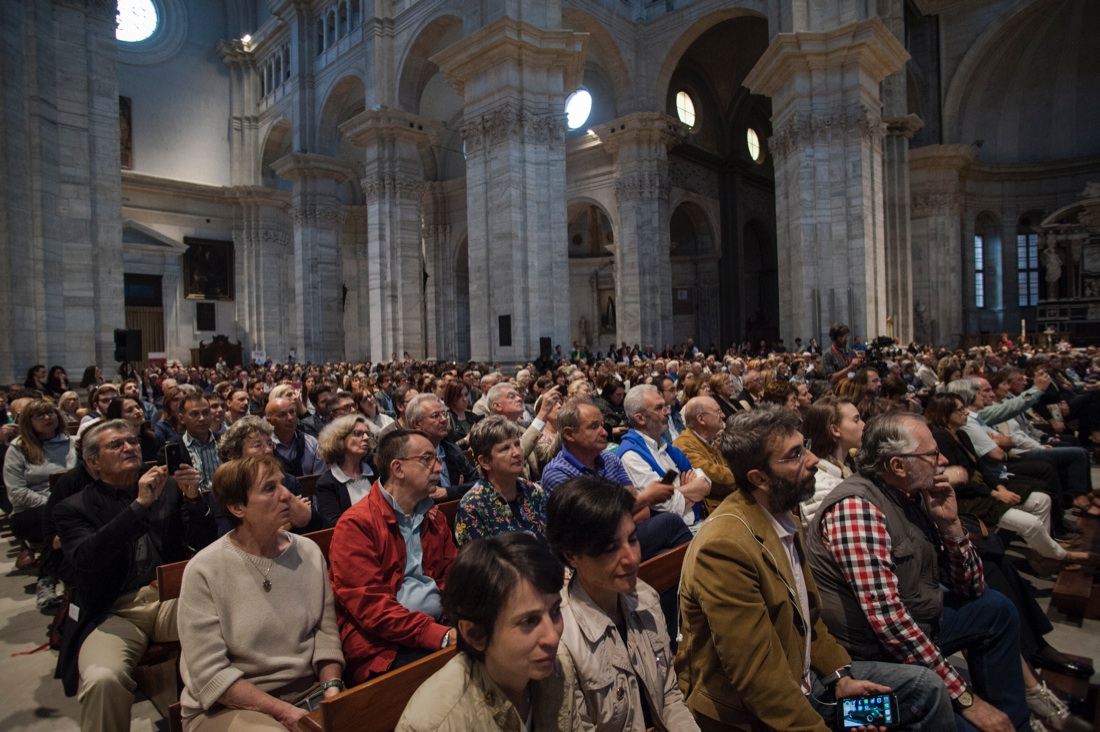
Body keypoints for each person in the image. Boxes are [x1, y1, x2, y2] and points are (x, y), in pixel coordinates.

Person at [677, 405, 954, 731]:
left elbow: (808, 621)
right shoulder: (724, 547)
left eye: (805, 446)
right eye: (795, 455)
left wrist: (841, 676)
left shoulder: (783, 512)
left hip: (808, 680)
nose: (812, 460)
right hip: (752, 714)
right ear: (759, 478)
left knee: (927, 689)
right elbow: (758, 679)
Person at [806, 411, 1030, 731]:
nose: (940, 462)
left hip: (916, 621)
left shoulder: (909, 492)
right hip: (869, 652)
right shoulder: (857, 509)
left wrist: (951, 525)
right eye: (931, 455)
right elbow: (890, 624)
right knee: (962, 715)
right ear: (897, 465)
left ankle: (1016, 722)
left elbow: (971, 587)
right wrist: (966, 698)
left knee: (996, 608)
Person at [53, 419, 215, 732]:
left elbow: (204, 542)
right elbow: (87, 560)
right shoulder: (73, 508)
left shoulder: (168, 487)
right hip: (113, 611)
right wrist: (140, 506)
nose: (129, 447)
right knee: (103, 679)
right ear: (93, 462)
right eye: (116, 444)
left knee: (235, 623)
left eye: (132, 441)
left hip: (168, 598)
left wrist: (194, 498)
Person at [177, 455, 345, 730]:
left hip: (310, 692)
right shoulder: (204, 570)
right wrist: (285, 712)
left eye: (282, 484)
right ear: (237, 507)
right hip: (227, 705)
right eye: (270, 489)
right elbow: (211, 675)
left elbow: (325, 634)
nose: (286, 495)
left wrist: (332, 691)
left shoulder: (308, 552)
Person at [547, 477, 699, 732]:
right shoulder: (559, 640)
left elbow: (669, 697)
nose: (631, 558)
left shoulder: (646, 597)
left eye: (632, 539)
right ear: (572, 556)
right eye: (609, 548)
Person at [396, 532, 584, 732]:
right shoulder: (435, 724)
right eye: (529, 621)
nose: (553, 637)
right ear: (474, 634)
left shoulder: (557, 666)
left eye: (555, 611)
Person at [329, 429, 457, 682]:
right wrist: (440, 634)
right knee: (457, 674)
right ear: (398, 468)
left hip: (437, 624)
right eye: (427, 459)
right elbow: (373, 608)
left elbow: (452, 577)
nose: (439, 469)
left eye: (437, 460)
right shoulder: (356, 525)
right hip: (383, 648)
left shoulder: (434, 516)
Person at [925, 393, 1090, 566]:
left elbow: (982, 468)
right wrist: (995, 493)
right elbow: (960, 482)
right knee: (1031, 523)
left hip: (984, 488)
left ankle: (1040, 553)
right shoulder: (941, 438)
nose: (966, 412)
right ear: (944, 413)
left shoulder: (962, 434)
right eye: (960, 409)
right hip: (968, 498)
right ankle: (1060, 555)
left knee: (1042, 499)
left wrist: (1000, 488)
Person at [540, 398, 690, 561]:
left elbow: (642, 511)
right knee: (669, 523)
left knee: (665, 555)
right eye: (594, 426)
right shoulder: (557, 473)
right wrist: (646, 498)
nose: (604, 432)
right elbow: (590, 528)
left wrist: (621, 513)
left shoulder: (609, 459)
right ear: (569, 434)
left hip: (624, 537)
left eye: (602, 424)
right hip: (589, 553)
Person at [4, 398, 76, 608]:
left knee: (64, 524)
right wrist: (52, 504)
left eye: (51, 413)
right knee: (60, 520)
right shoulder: (18, 449)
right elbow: (16, 493)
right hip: (30, 512)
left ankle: (54, 579)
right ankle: (51, 579)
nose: (48, 418)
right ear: (28, 421)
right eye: (40, 415)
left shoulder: (70, 442)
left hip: (67, 509)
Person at [618, 385, 709, 529]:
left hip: (697, 523)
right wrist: (692, 490)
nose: (667, 412)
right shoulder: (631, 455)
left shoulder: (665, 445)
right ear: (640, 418)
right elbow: (671, 506)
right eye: (659, 408)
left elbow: (705, 483)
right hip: (673, 537)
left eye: (665, 406)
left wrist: (678, 492)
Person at [217, 416, 322, 535]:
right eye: (257, 445)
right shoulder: (226, 487)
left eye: (269, 443)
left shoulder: (287, 480)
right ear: (235, 454)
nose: (268, 450)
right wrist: (281, 523)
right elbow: (228, 534)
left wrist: (292, 519)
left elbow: (315, 525)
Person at [455, 415, 548, 546]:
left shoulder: (534, 491)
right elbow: (479, 563)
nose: (516, 453)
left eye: (517, 444)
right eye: (505, 448)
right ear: (485, 461)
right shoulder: (472, 507)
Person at [800, 395, 863, 526]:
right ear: (835, 430)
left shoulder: (846, 466)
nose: (864, 425)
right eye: (856, 420)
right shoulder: (820, 486)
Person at [405, 393, 478, 501]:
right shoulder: (409, 457)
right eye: (435, 416)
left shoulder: (452, 449)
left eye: (444, 413)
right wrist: (461, 489)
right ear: (417, 424)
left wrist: (450, 492)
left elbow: (478, 483)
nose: (444, 419)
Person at [673, 396, 735, 515]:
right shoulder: (684, 445)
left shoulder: (712, 439)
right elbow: (715, 477)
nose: (723, 415)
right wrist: (740, 473)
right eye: (718, 411)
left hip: (726, 502)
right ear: (701, 419)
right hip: (712, 511)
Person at [314, 414, 376, 527]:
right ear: (340, 439)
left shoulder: (376, 473)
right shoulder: (327, 483)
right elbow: (335, 524)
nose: (366, 438)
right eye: (358, 434)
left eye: (368, 434)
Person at [265, 396, 327, 478]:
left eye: (292, 412)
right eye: (282, 415)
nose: (290, 418)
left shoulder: (311, 442)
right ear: (270, 421)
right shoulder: (265, 447)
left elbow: (320, 479)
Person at [105, 395, 162, 463]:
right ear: (118, 417)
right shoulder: (114, 445)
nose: (137, 411)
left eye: (138, 407)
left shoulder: (154, 438)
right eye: (129, 410)